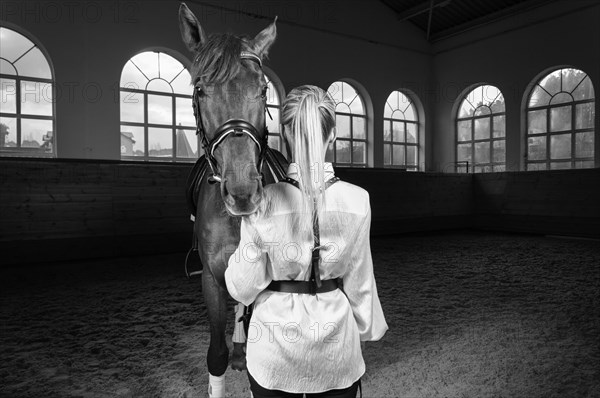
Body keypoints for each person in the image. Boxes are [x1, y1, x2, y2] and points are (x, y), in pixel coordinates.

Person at [225, 85, 388, 397]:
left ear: (285, 133)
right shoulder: (359, 200)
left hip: (273, 355)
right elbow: (360, 282)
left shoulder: (264, 203)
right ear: (333, 135)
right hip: (336, 353)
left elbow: (243, 287)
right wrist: (363, 331)